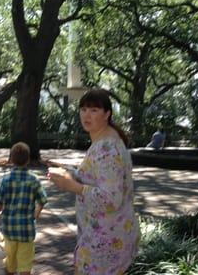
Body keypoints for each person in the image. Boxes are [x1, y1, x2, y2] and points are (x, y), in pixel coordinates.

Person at [48, 89, 139, 274]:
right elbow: (98, 178)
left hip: (105, 242)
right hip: (107, 237)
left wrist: (73, 186)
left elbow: (110, 198)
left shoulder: (107, 148)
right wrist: (70, 172)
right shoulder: (105, 141)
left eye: (94, 110)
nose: (86, 115)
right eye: (83, 109)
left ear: (107, 114)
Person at [0, 142, 48, 275]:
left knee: (10, 264)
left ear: (11, 160)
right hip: (27, 231)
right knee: (25, 265)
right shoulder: (34, 179)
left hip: (9, 230)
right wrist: (36, 213)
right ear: (28, 160)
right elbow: (43, 200)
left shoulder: (5, 180)